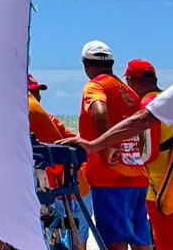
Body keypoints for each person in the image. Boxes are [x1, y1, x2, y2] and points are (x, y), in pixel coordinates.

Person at [75, 41, 153, 250]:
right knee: (141, 241)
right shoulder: (128, 91)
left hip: (109, 178)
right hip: (137, 176)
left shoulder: (95, 85)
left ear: (85, 65)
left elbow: (99, 110)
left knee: (115, 242)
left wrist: (106, 147)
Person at [124, 60, 173, 250]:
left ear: (131, 82)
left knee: (167, 242)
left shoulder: (149, 106)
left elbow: (149, 154)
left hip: (161, 188)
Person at [27, 73, 91, 250]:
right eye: (33, 92)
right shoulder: (48, 119)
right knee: (76, 243)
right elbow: (78, 144)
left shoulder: (32, 117)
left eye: (38, 92)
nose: (37, 96)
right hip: (75, 188)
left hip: (61, 191)